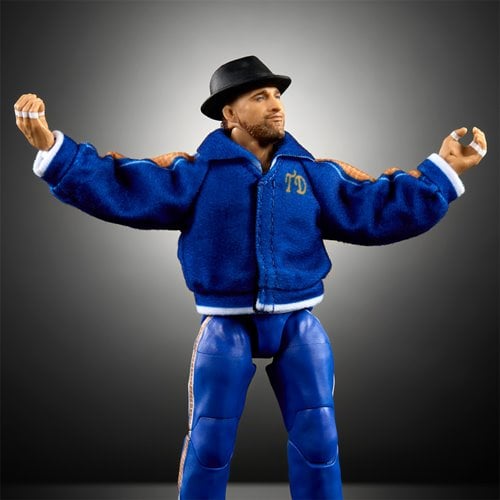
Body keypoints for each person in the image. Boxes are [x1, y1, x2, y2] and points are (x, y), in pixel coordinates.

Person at [14, 55, 487, 500]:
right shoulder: (197, 173)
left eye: (277, 95)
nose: (276, 105)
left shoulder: (311, 173)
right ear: (229, 113)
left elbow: (373, 206)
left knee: (320, 437)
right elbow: (125, 183)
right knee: (210, 439)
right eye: (260, 97)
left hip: (297, 323)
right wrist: (54, 150)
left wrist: (443, 171)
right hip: (226, 324)